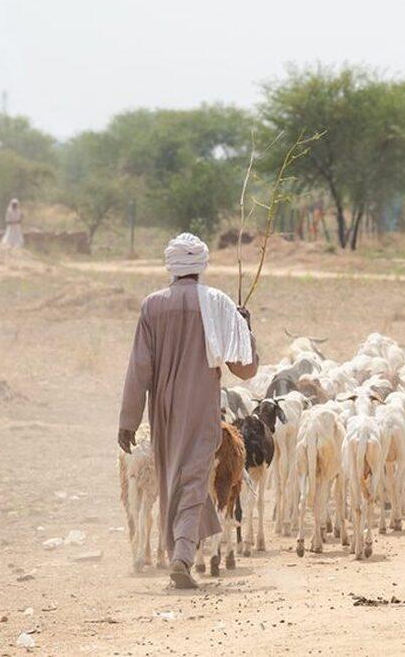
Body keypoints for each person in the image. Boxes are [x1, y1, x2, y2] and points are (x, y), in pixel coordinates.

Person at [118, 233, 259, 590]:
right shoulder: (217, 304)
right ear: (201, 265)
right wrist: (245, 327)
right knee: (193, 477)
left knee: (174, 478)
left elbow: (139, 368)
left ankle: (182, 548)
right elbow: (245, 369)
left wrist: (128, 420)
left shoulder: (152, 305)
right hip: (201, 408)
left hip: (163, 410)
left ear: (172, 266)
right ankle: (182, 555)